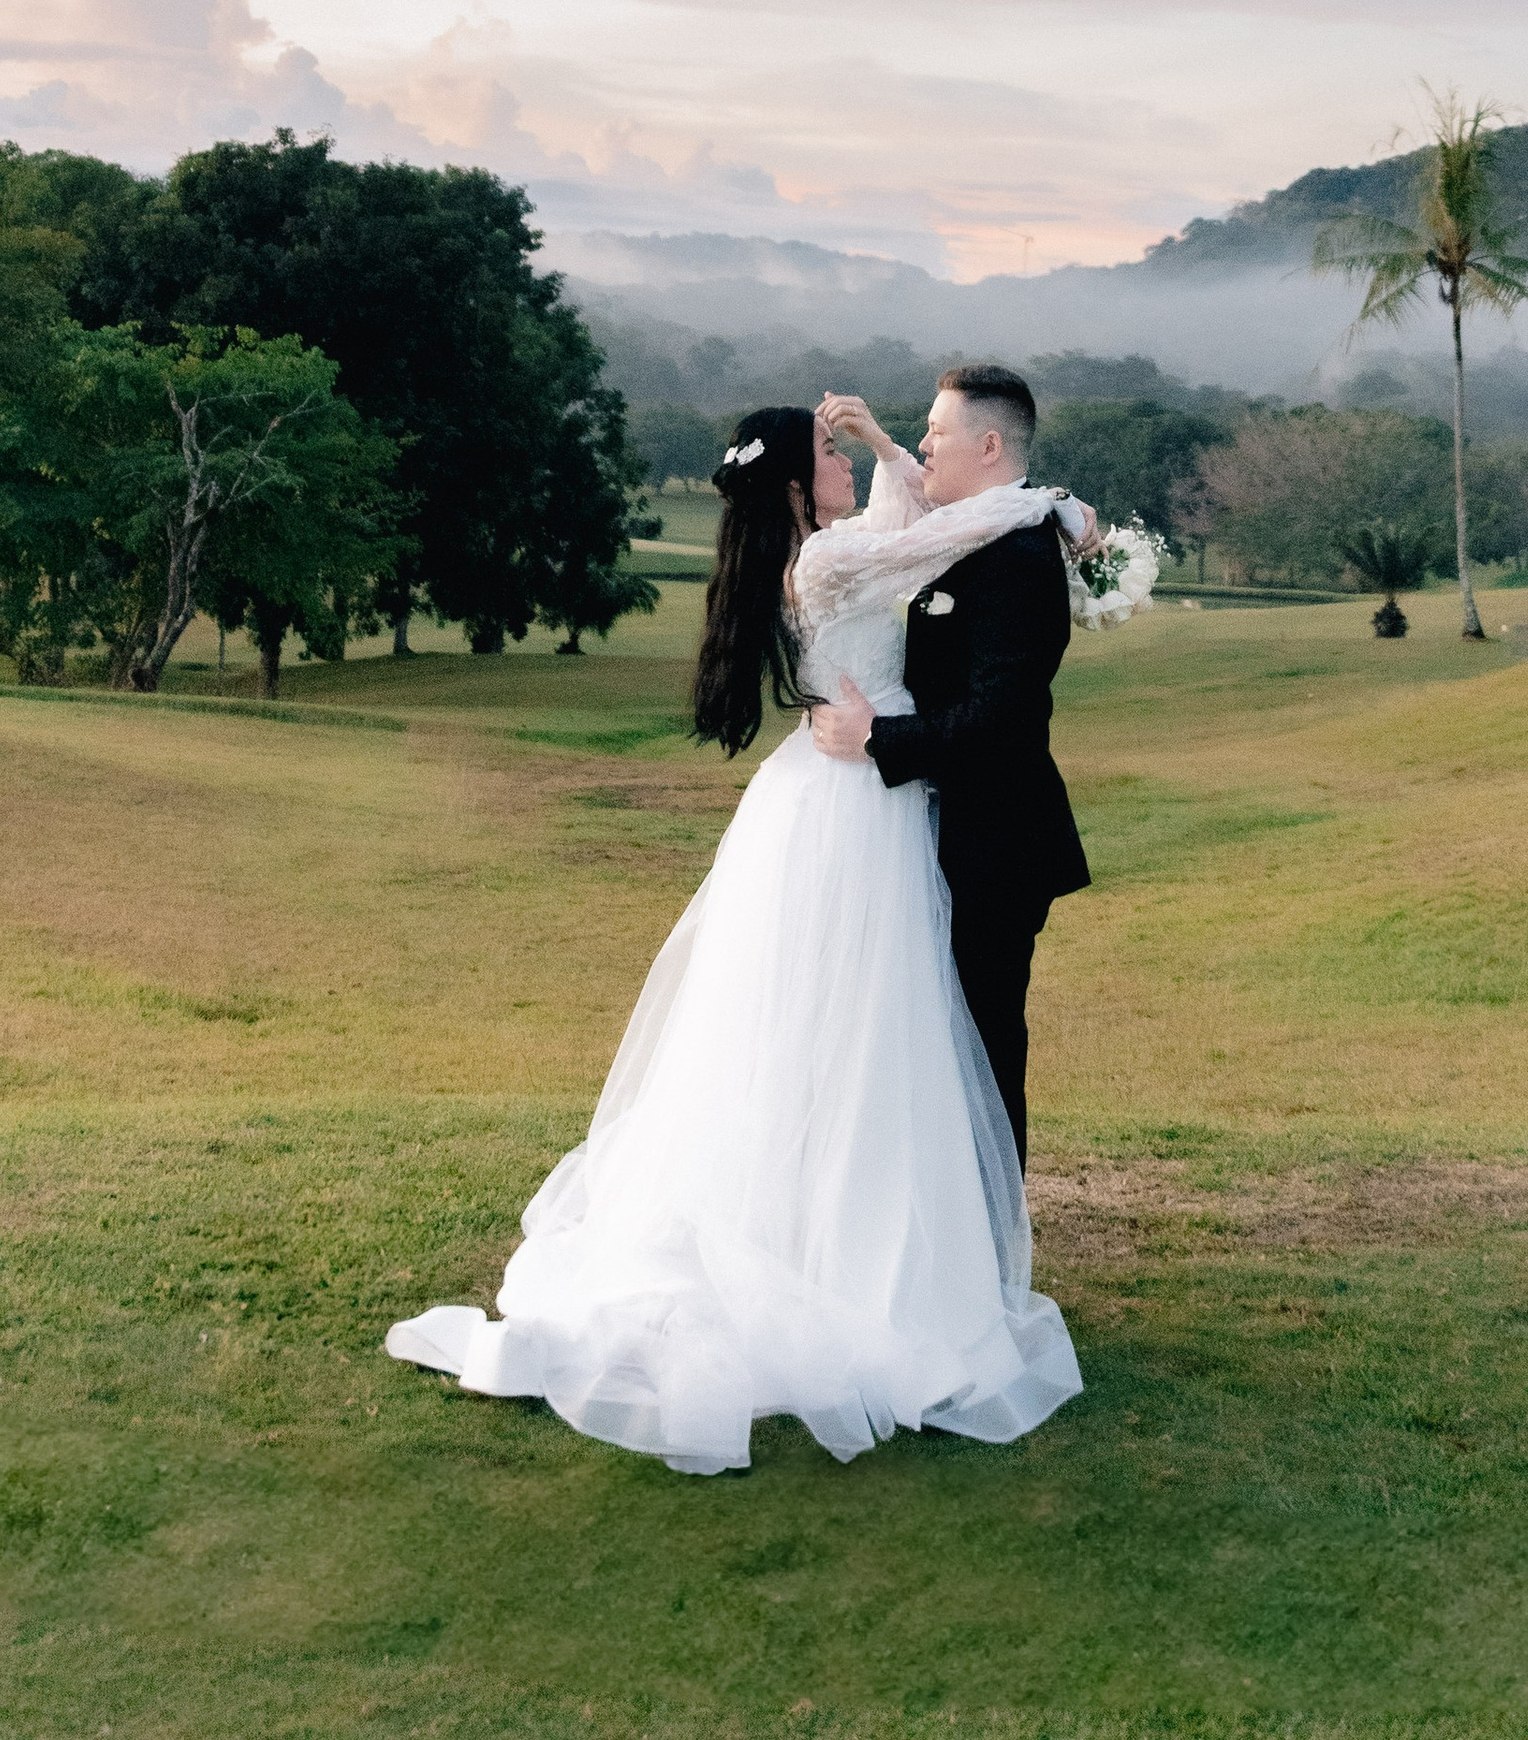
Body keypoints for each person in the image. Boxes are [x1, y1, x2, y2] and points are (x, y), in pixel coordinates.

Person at [383, 400, 1090, 1477]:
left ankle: (851, 1231)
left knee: (858, 1027)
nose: (852, 462)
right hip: (853, 798)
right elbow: (933, 534)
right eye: (831, 454)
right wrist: (1051, 505)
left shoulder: (826, 548)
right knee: (849, 1024)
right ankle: (844, 1251)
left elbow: (915, 519)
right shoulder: (828, 564)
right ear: (802, 487)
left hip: (857, 790)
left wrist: (902, 455)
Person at [808, 366, 1090, 1164]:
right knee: (939, 1045)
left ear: (991, 445)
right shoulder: (975, 531)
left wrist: (880, 739)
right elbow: (912, 504)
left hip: (997, 844)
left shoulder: (1018, 558)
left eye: (937, 429)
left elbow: (1003, 717)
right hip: (951, 832)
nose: (923, 442)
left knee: (984, 1042)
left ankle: (994, 1250)